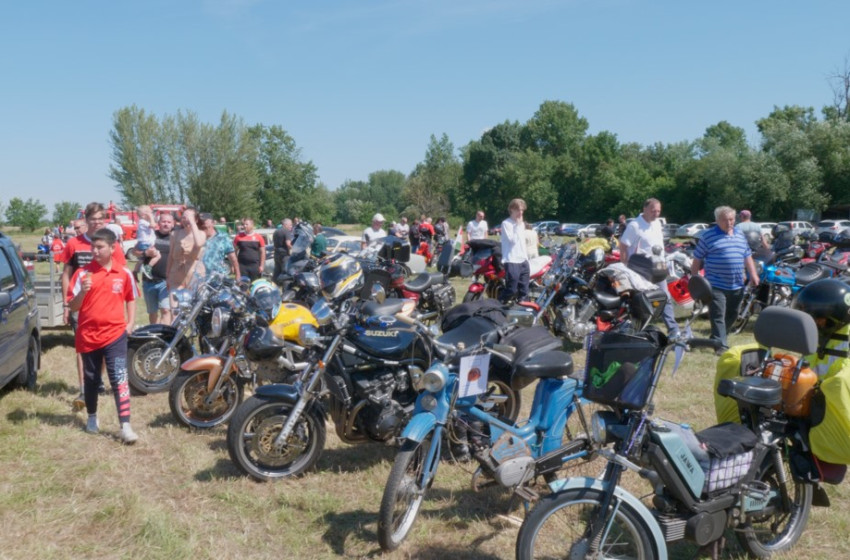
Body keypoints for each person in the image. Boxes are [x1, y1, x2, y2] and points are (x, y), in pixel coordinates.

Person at [67, 227, 139, 444]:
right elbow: (72, 306)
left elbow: (131, 297)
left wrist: (130, 322)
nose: (95, 251)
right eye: (93, 247)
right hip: (88, 335)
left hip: (115, 334)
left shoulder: (123, 272)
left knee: (119, 378)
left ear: (112, 247)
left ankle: (125, 425)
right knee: (91, 379)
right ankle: (92, 417)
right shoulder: (82, 274)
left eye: (100, 247)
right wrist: (83, 292)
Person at [62, 203, 127, 411]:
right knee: (82, 348)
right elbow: (66, 274)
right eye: (93, 219)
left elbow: (122, 273)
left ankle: (95, 381)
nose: (97, 222)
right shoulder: (74, 243)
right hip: (79, 302)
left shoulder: (110, 243)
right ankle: (84, 388)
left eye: (101, 218)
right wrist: (66, 303)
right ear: (86, 220)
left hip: (104, 305)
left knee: (102, 346)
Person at [691, 206, 760, 351]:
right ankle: (721, 346)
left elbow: (747, 255)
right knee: (718, 315)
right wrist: (695, 279)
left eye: (731, 219)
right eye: (725, 220)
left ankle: (717, 338)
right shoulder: (708, 236)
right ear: (717, 220)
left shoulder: (740, 234)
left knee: (733, 314)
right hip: (715, 284)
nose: (729, 222)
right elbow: (697, 258)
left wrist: (753, 274)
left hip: (736, 284)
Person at [619, 198, 679, 337]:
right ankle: (634, 329)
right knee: (639, 299)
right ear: (645, 209)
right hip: (639, 267)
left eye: (658, 211)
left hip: (658, 264)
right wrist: (625, 267)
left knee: (665, 296)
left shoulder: (657, 223)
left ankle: (673, 329)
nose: (656, 214)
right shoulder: (634, 226)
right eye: (653, 211)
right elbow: (623, 246)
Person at [137, 211, 174, 325]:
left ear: (173, 224)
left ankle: (164, 337)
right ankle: (154, 334)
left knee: (166, 310)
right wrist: (145, 253)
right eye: (163, 221)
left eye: (169, 222)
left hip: (166, 281)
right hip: (149, 281)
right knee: (153, 313)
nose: (166, 224)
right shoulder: (150, 234)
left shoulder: (175, 237)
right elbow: (135, 251)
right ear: (158, 222)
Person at [166, 207, 206, 294]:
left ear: (196, 219)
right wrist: (167, 276)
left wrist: (192, 223)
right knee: (175, 306)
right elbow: (170, 256)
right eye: (184, 217)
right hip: (176, 276)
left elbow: (198, 244)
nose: (186, 219)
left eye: (190, 217)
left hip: (195, 277)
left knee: (192, 306)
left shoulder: (201, 234)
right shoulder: (174, 234)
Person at [500, 198, 530, 302]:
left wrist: (526, 257)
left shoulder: (521, 224)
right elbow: (512, 240)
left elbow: (521, 242)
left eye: (522, 210)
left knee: (524, 291)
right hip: (512, 260)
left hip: (523, 260)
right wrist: (517, 225)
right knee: (511, 290)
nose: (521, 212)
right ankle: (497, 306)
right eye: (518, 210)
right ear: (512, 209)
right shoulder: (506, 224)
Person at [201, 213, 239, 278]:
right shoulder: (197, 238)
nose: (204, 229)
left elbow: (233, 259)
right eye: (202, 227)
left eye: (206, 227)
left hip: (217, 279)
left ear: (213, 223)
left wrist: (238, 276)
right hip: (199, 280)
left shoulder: (223, 237)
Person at [134, 205, 161, 278]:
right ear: (143, 215)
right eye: (150, 213)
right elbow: (153, 225)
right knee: (158, 255)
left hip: (143, 243)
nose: (152, 214)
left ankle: (135, 271)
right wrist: (151, 217)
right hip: (146, 243)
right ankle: (148, 267)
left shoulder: (141, 222)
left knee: (142, 259)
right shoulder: (142, 222)